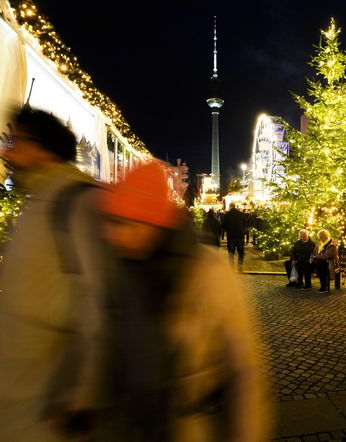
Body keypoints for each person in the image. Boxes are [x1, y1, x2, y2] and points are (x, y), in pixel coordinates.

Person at [96, 160, 271, 440]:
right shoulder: (118, 271)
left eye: (123, 223)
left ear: (150, 223)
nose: (112, 234)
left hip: (189, 428)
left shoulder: (208, 273)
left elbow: (244, 371)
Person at [0, 106, 105, 440]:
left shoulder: (75, 203)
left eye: (15, 141)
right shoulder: (39, 203)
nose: (5, 152)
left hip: (53, 413)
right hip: (22, 402)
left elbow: (101, 305)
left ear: (42, 149)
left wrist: (84, 397)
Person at [310, 229, 339, 294]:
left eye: (321, 236)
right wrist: (312, 257)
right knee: (306, 263)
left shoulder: (332, 244)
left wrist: (316, 256)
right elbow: (314, 252)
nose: (320, 238)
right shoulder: (320, 244)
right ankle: (307, 284)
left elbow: (328, 255)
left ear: (326, 236)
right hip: (320, 261)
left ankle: (324, 287)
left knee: (320, 265)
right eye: (319, 237)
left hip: (330, 262)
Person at [222, 203, 247, 271]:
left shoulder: (227, 214)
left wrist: (227, 229)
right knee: (241, 253)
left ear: (230, 207)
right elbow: (245, 225)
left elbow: (223, 225)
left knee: (231, 253)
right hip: (240, 236)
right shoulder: (241, 214)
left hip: (231, 236)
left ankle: (231, 268)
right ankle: (240, 267)